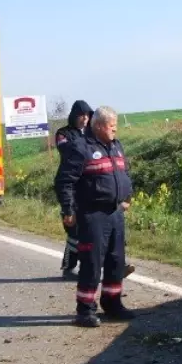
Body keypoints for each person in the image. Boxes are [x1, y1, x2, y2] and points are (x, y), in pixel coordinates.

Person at [54, 106, 137, 327]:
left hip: (115, 213)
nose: (115, 131)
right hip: (92, 214)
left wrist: (127, 197)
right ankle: (85, 310)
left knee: (116, 260)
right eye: (112, 126)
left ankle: (112, 303)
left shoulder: (116, 146)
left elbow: (124, 173)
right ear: (99, 126)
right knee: (92, 263)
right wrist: (68, 210)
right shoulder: (81, 148)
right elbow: (65, 181)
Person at [54, 100, 93, 278]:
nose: (84, 119)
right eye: (81, 115)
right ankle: (68, 267)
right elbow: (68, 150)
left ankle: (98, 267)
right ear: (74, 115)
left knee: (93, 230)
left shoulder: (92, 132)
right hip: (70, 185)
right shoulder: (63, 133)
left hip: (89, 186)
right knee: (74, 230)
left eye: (87, 115)